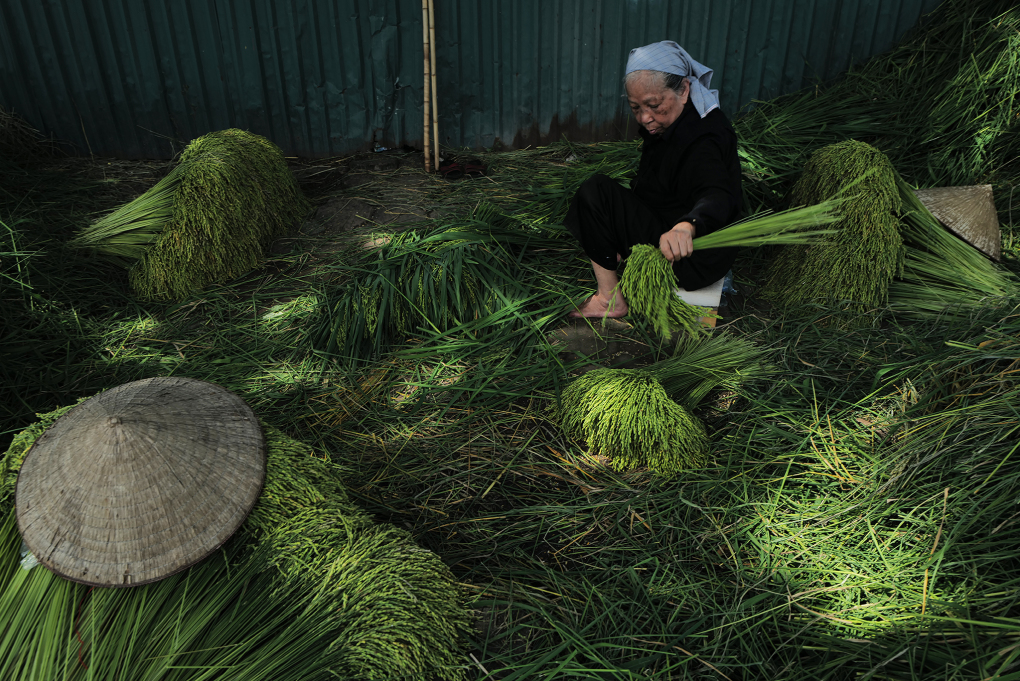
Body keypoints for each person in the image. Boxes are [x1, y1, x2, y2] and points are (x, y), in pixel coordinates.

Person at [564, 41, 742, 318]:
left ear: (684, 90)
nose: (645, 118)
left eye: (653, 105)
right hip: (666, 232)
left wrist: (687, 226)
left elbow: (717, 194)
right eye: (635, 107)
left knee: (594, 191)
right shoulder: (672, 120)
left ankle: (609, 301)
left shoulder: (704, 137)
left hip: (688, 255)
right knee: (603, 197)